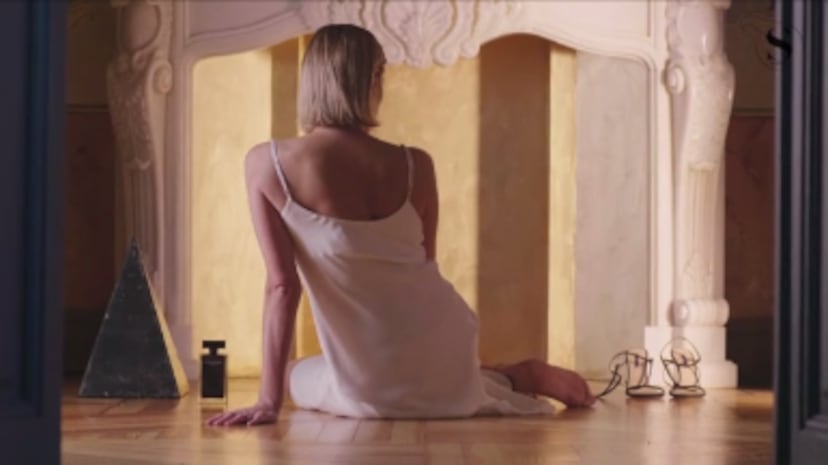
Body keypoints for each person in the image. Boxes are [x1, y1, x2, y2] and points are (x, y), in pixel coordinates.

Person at [207, 24, 595, 427]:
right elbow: (424, 270)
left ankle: (506, 376)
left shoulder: (266, 164)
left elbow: (283, 286)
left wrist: (268, 402)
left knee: (295, 373)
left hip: (370, 385)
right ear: (372, 80)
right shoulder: (416, 165)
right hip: (447, 346)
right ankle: (509, 376)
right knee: (428, 377)